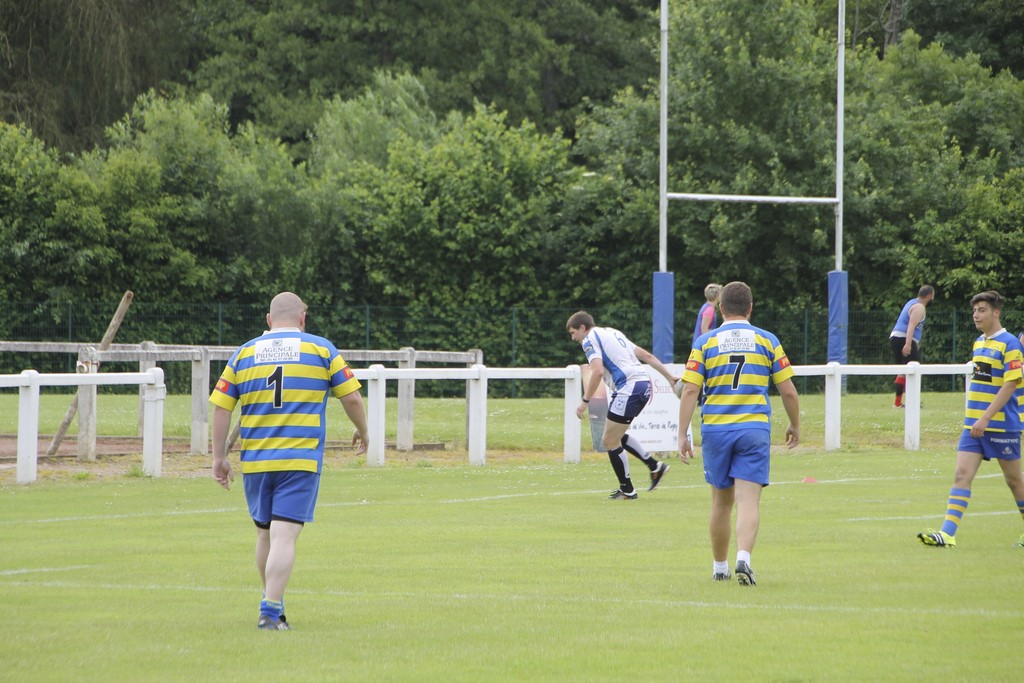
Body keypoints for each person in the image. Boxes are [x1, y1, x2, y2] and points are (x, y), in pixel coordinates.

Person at [210, 292, 369, 630]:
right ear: (303, 318)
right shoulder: (321, 350)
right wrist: (363, 431)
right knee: (284, 536)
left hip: (256, 460)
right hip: (299, 458)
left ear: (269, 320)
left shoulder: (244, 353)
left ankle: (274, 605)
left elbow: (222, 407)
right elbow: (353, 398)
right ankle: (269, 612)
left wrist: (219, 456)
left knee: (265, 535)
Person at [676, 282, 800, 585]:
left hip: (717, 429)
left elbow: (690, 390)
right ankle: (744, 557)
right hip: (753, 429)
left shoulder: (705, 342)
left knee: (721, 502)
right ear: (750, 308)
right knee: (748, 501)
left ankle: (720, 567)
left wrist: (682, 434)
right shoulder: (767, 340)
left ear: (720, 308)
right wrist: (794, 424)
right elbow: (788, 391)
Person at [918, 291, 1024, 549]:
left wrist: (986, 418)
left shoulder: (1011, 344)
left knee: (1014, 481)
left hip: (1001, 426)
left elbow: (1010, 384)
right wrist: (976, 418)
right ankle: (947, 534)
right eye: (974, 310)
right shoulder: (979, 343)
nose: (976, 315)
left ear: (996, 312)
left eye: (982, 310)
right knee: (961, 474)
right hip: (973, 425)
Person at [567, 311, 679, 499]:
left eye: (573, 333)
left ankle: (628, 490)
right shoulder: (612, 332)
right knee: (614, 435)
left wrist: (584, 401)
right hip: (644, 384)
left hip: (630, 388)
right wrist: (669, 377)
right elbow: (646, 355)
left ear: (582, 328)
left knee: (609, 440)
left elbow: (597, 371)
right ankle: (654, 467)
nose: (573, 338)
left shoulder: (589, 339)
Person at [889, 285, 936, 407]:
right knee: (915, 370)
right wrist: (908, 344)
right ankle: (913, 403)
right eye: (933, 296)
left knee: (902, 371)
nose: (933, 299)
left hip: (896, 337)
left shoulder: (911, 302)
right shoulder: (919, 307)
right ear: (929, 296)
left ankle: (897, 403)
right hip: (904, 339)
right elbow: (911, 325)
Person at [693, 283, 723, 348]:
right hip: (702, 346)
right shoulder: (710, 309)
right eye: (720, 293)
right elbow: (704, 329)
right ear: (716, 295)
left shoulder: (706, 307)